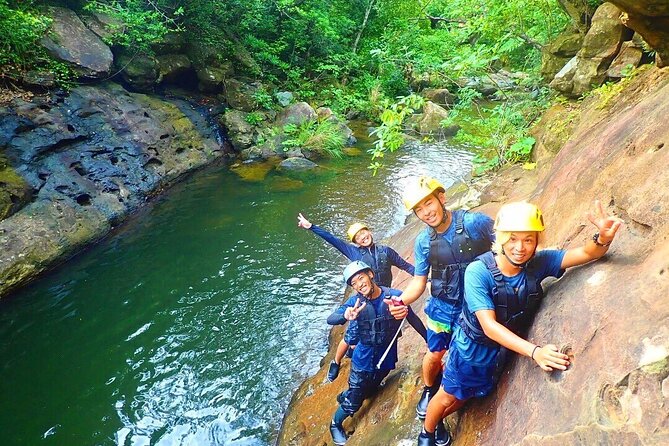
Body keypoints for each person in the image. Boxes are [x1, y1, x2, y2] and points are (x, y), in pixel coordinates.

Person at [416, 200, 623, 446]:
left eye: (528, 239)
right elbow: (488, 325)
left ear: (536, 241)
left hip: (499, 352)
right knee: (448, 395)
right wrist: (535, 352)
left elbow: (588, 253)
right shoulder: (477, 272)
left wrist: (602, 237)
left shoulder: (539, 262)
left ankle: (436, 419)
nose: (520, 248)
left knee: (466, 396)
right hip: (470, 350)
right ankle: (427, 432)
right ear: (501, 239)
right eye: (512, 239)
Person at [394, 176, 495, 423]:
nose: (426, 212)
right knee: (435, 353)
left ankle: (458, 392)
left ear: (441, 197)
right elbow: (419, 282)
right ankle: (429, 389)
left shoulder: (474, 223)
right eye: (419, 210)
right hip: (442, 308)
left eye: (428, 203)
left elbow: (504, 246)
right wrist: (400, 302)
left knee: (470, 356)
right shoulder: (423, 242)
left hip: (474, 308)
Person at [297, 213, 427, 381]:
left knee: (403, 316)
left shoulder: (385, 251)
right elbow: (332, 240)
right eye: (358, 237)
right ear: (355, 242)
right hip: (363, 299)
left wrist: (424, 277)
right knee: (351, 335)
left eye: (363, 232)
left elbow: (405, 265)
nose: (363, 237)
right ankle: (336, 362)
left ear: (369, 231)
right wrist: (311, 227)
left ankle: (427, 340)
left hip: (382, 295)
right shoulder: (354, 252)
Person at [327, 260, 416, 445]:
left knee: (371, 389)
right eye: (354, 283)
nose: (359, 284)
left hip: (385, 357)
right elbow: (331, 318)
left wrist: (430, 342)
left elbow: (413, 319)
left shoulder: (393, 296)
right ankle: (335, 423)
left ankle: (350, 393)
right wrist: (345, 315)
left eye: (361, 278)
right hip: (363, 360)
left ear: (371, 275)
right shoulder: (355, 303)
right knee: (355, 401)